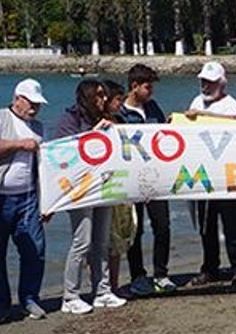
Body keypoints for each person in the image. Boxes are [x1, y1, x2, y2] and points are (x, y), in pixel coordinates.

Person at [53, 79, 126, 314]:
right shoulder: (70, 120)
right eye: (99, 95)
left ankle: (102, 290)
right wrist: (94, 135)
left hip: (104, 186)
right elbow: (64, 150)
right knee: (81, 241)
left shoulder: (105, 118)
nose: (103, 99)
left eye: (104, 95)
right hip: (80, 190)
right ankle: (70, 295)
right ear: (87, 97)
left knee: (102, 241)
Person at [0, 78, 47, 326]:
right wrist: (20, 144)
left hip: (29, 197)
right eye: (31, 102)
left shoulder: (39, 127)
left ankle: (30, 297)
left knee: (34, 251)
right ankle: (0, 305)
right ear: (17, 99)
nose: (34, 108)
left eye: (38, 104)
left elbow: (46, 165)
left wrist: (47, 200)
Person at [184, 61, 236, 286]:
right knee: (206, 225)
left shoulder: (230, 104)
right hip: (203, 173)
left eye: (210, 82)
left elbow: (235, 124)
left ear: (221, 84)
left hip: (227, 173)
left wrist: (202, 116)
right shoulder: (196, 101)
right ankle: (209, 268)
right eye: (203, 81)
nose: (205, 86)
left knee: (232, 222)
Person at [117, 64, 176, 296]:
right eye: (147, 86)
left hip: (156, 178)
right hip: (132, 180)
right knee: (135, 229)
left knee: (162, 226)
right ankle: (138, 276)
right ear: (134, 86)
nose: (151, 91)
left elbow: (162, 136)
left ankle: (161, 274)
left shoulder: (153, 108)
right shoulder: (120, 113)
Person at [102, 80, 138, 297]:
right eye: (117, 99)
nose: (121, 103)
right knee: (101, 239)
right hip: (104, 187)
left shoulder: (121, 120)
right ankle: (102, 285)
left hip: (122, 185)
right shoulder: (96, 123)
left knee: (120, 237)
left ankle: (113, 284)